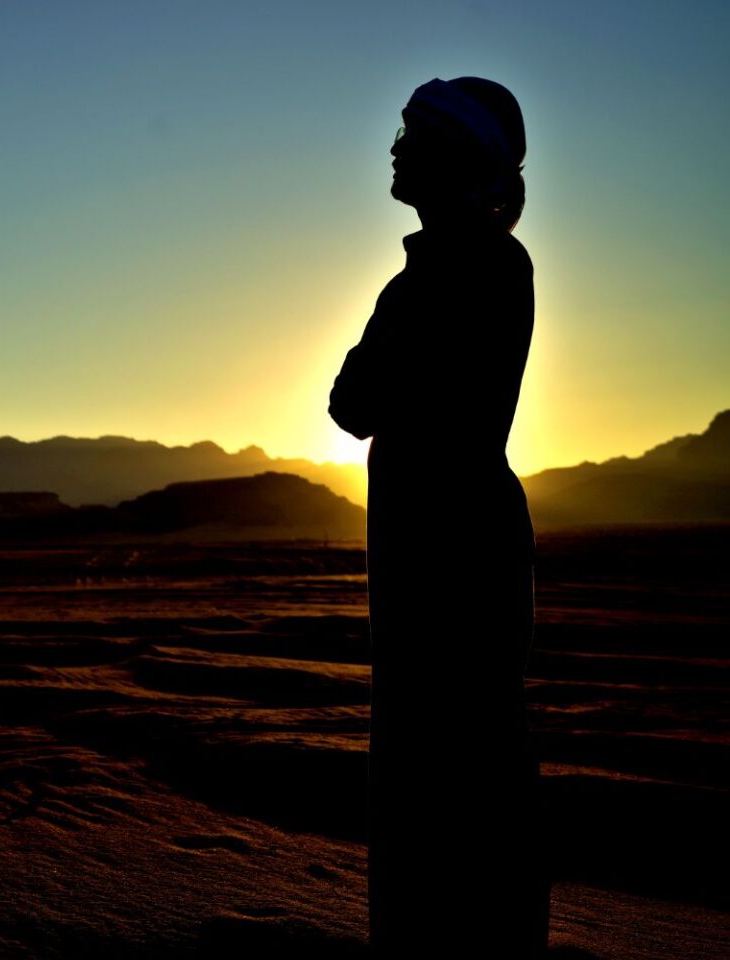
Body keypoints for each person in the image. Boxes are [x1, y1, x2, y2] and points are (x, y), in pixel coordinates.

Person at [328, 77, 552, 956]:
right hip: (462, 543)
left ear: (456, 158)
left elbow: (351, 401)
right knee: (470, 767)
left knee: (445, 777)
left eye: (411, 135)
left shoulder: (446, 273)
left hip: (444, 555)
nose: (392, 148)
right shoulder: (493, 264)